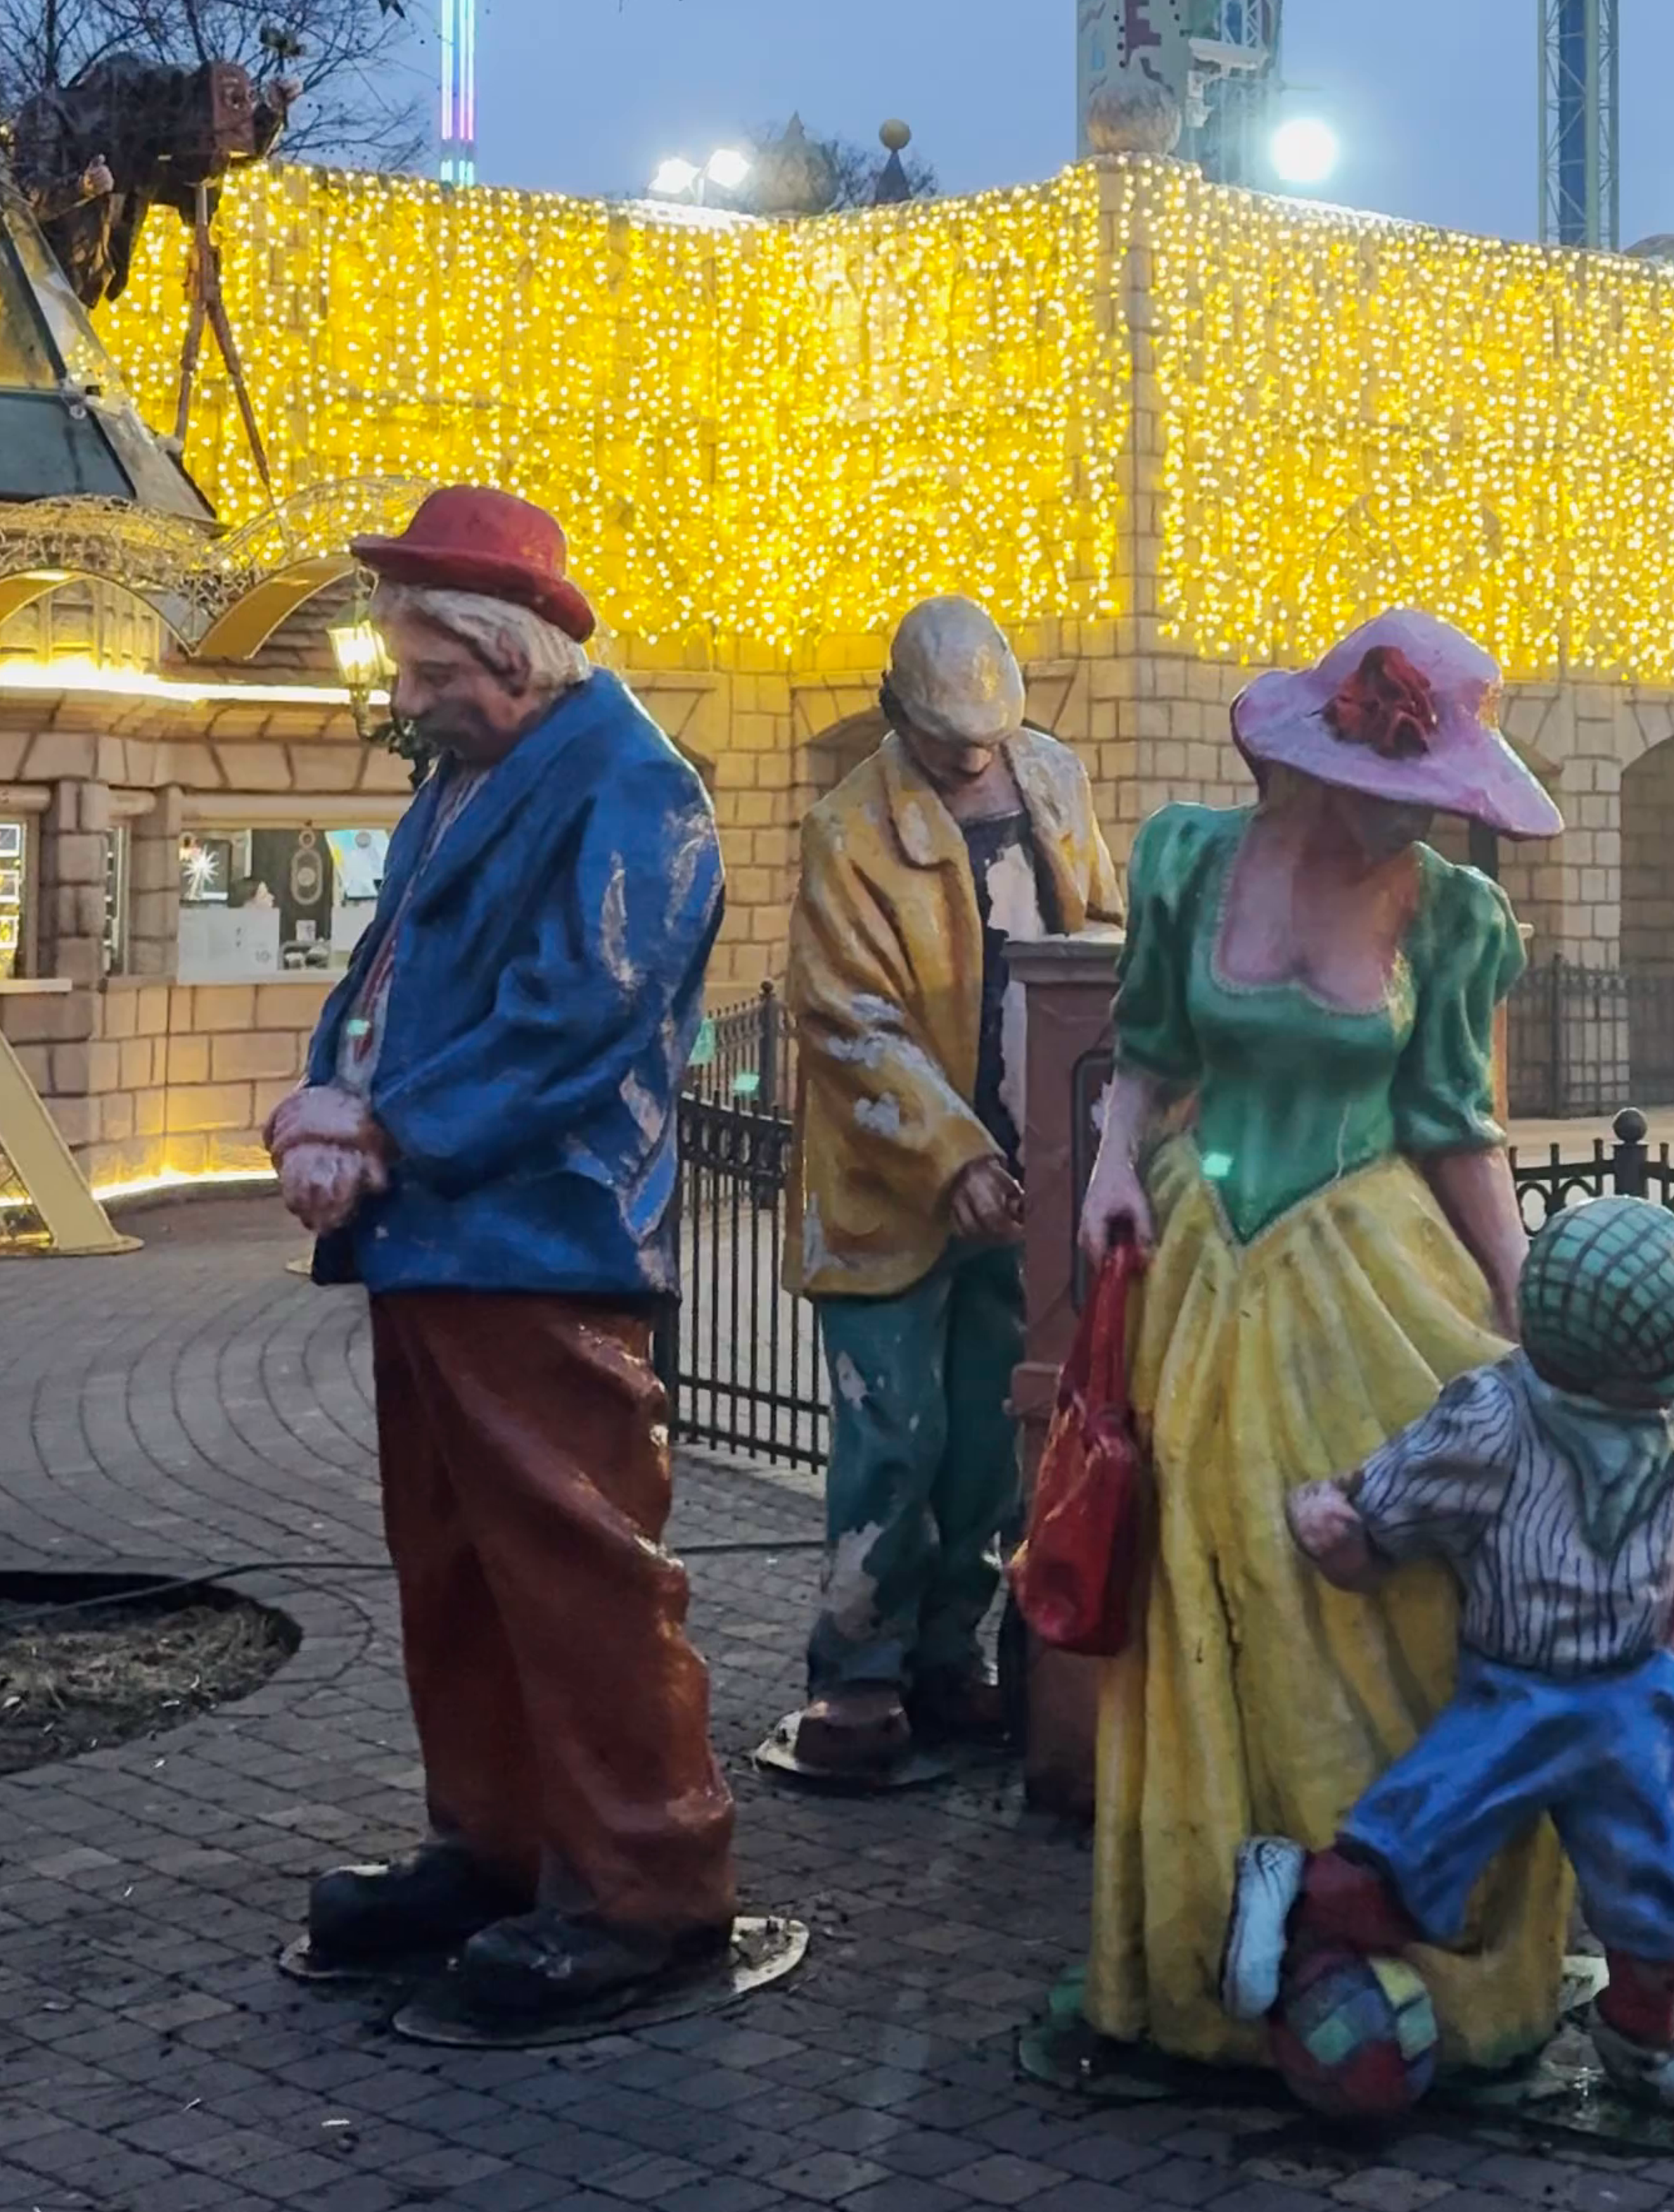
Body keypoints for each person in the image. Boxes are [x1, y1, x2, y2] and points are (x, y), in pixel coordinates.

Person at [1073, 609, 1572, 2073]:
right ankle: (1218, 1922)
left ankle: (1385, 1901)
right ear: (1317, 758)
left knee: (1388, 1581)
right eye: (1395, 794)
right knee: (1205, 1571)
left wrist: (1519, 1278)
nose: (1409, 821)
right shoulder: (1187, 857)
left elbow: (1452, 1122)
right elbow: (1150, 1045)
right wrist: (1113, 1159)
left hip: (1364, 1267)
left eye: (1434, 804)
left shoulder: (1449, 915)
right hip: (1200, 1260)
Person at [263, 485, 735, 2028]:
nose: (403, 702)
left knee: (576, 1558)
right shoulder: (473, 773)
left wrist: (380, 1122)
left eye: (424, 675)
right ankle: (497, 1836)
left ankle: (647, 1879)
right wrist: (330, 1089)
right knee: (455, 1559)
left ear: (509, 653)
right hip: (445, 1238)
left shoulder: (628, 783)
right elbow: (384, 966)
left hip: (540, 1232)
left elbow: (576, 1017)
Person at [1220, 1197, 1674, 2135]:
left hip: (1632, 1692)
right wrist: (1334, 1527)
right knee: (1414, 1849)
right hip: (1517, 1690)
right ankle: (1291, 1889)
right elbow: (1378, 1513)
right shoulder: (1494, 1413)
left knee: (1670, 1883)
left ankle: (1643, 2037)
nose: (1667, 1391)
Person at [788, 596, 1121, 1779]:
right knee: (895, 1433)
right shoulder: (847, 834)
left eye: (988, 740)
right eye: (947, 743)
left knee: (985, 1440)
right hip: (899, 1195)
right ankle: (859, 1673)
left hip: (1028, 1181)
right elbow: (847, 1021)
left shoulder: (1054, 782)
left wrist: (1074, 1125)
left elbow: (1100, 932)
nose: (974, 762)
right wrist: (956, 1154)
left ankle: (947, 1655)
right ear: (894, 714)